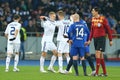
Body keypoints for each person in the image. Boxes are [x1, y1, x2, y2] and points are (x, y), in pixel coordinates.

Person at [86, 7, 113, 76]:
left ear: (97, 11)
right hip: (95, 38)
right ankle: (105, 73)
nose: (92, 12)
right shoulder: (93, 19)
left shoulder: (103, 19)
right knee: (100, 56)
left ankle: (97, 72)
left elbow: (108, 29)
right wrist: (90, 39)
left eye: (93, 11)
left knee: (97, 53)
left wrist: (110, 39)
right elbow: (92, 30)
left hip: (101, 38)